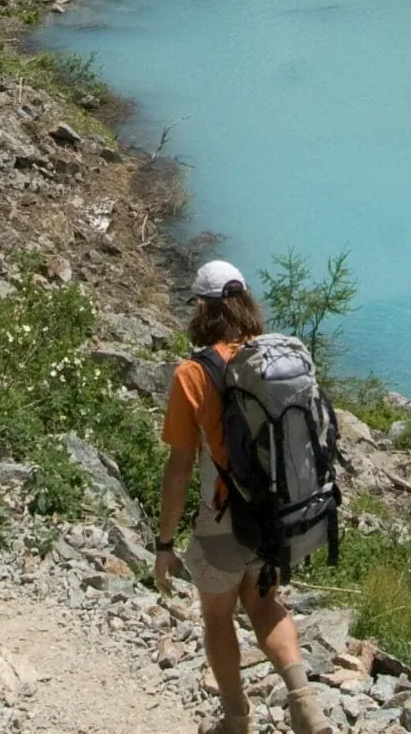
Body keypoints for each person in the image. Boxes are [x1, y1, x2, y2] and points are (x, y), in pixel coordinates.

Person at [154, 262, 334, 734]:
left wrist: (164, 544)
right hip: (277, 513)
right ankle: (306, 702)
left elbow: (179, 469)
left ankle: (236, 720)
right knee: (264, 605)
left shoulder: (192, 375)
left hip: (223, 520)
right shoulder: (271, 362)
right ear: (245, 303)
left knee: (217, 617)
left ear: (200, 307)